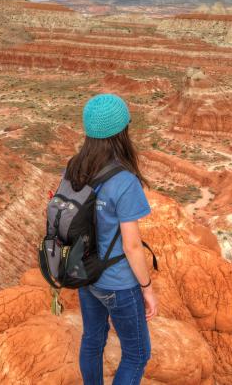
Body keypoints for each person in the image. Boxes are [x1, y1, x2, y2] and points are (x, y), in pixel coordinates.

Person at [64, 93, 158, 385]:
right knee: (137, 354)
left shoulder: (74, 167)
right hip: (117, 283)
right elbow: (131, 246)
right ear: (122, 132)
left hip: (85, 273)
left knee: (92, 340)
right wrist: (147, 287)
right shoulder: (124, 180)